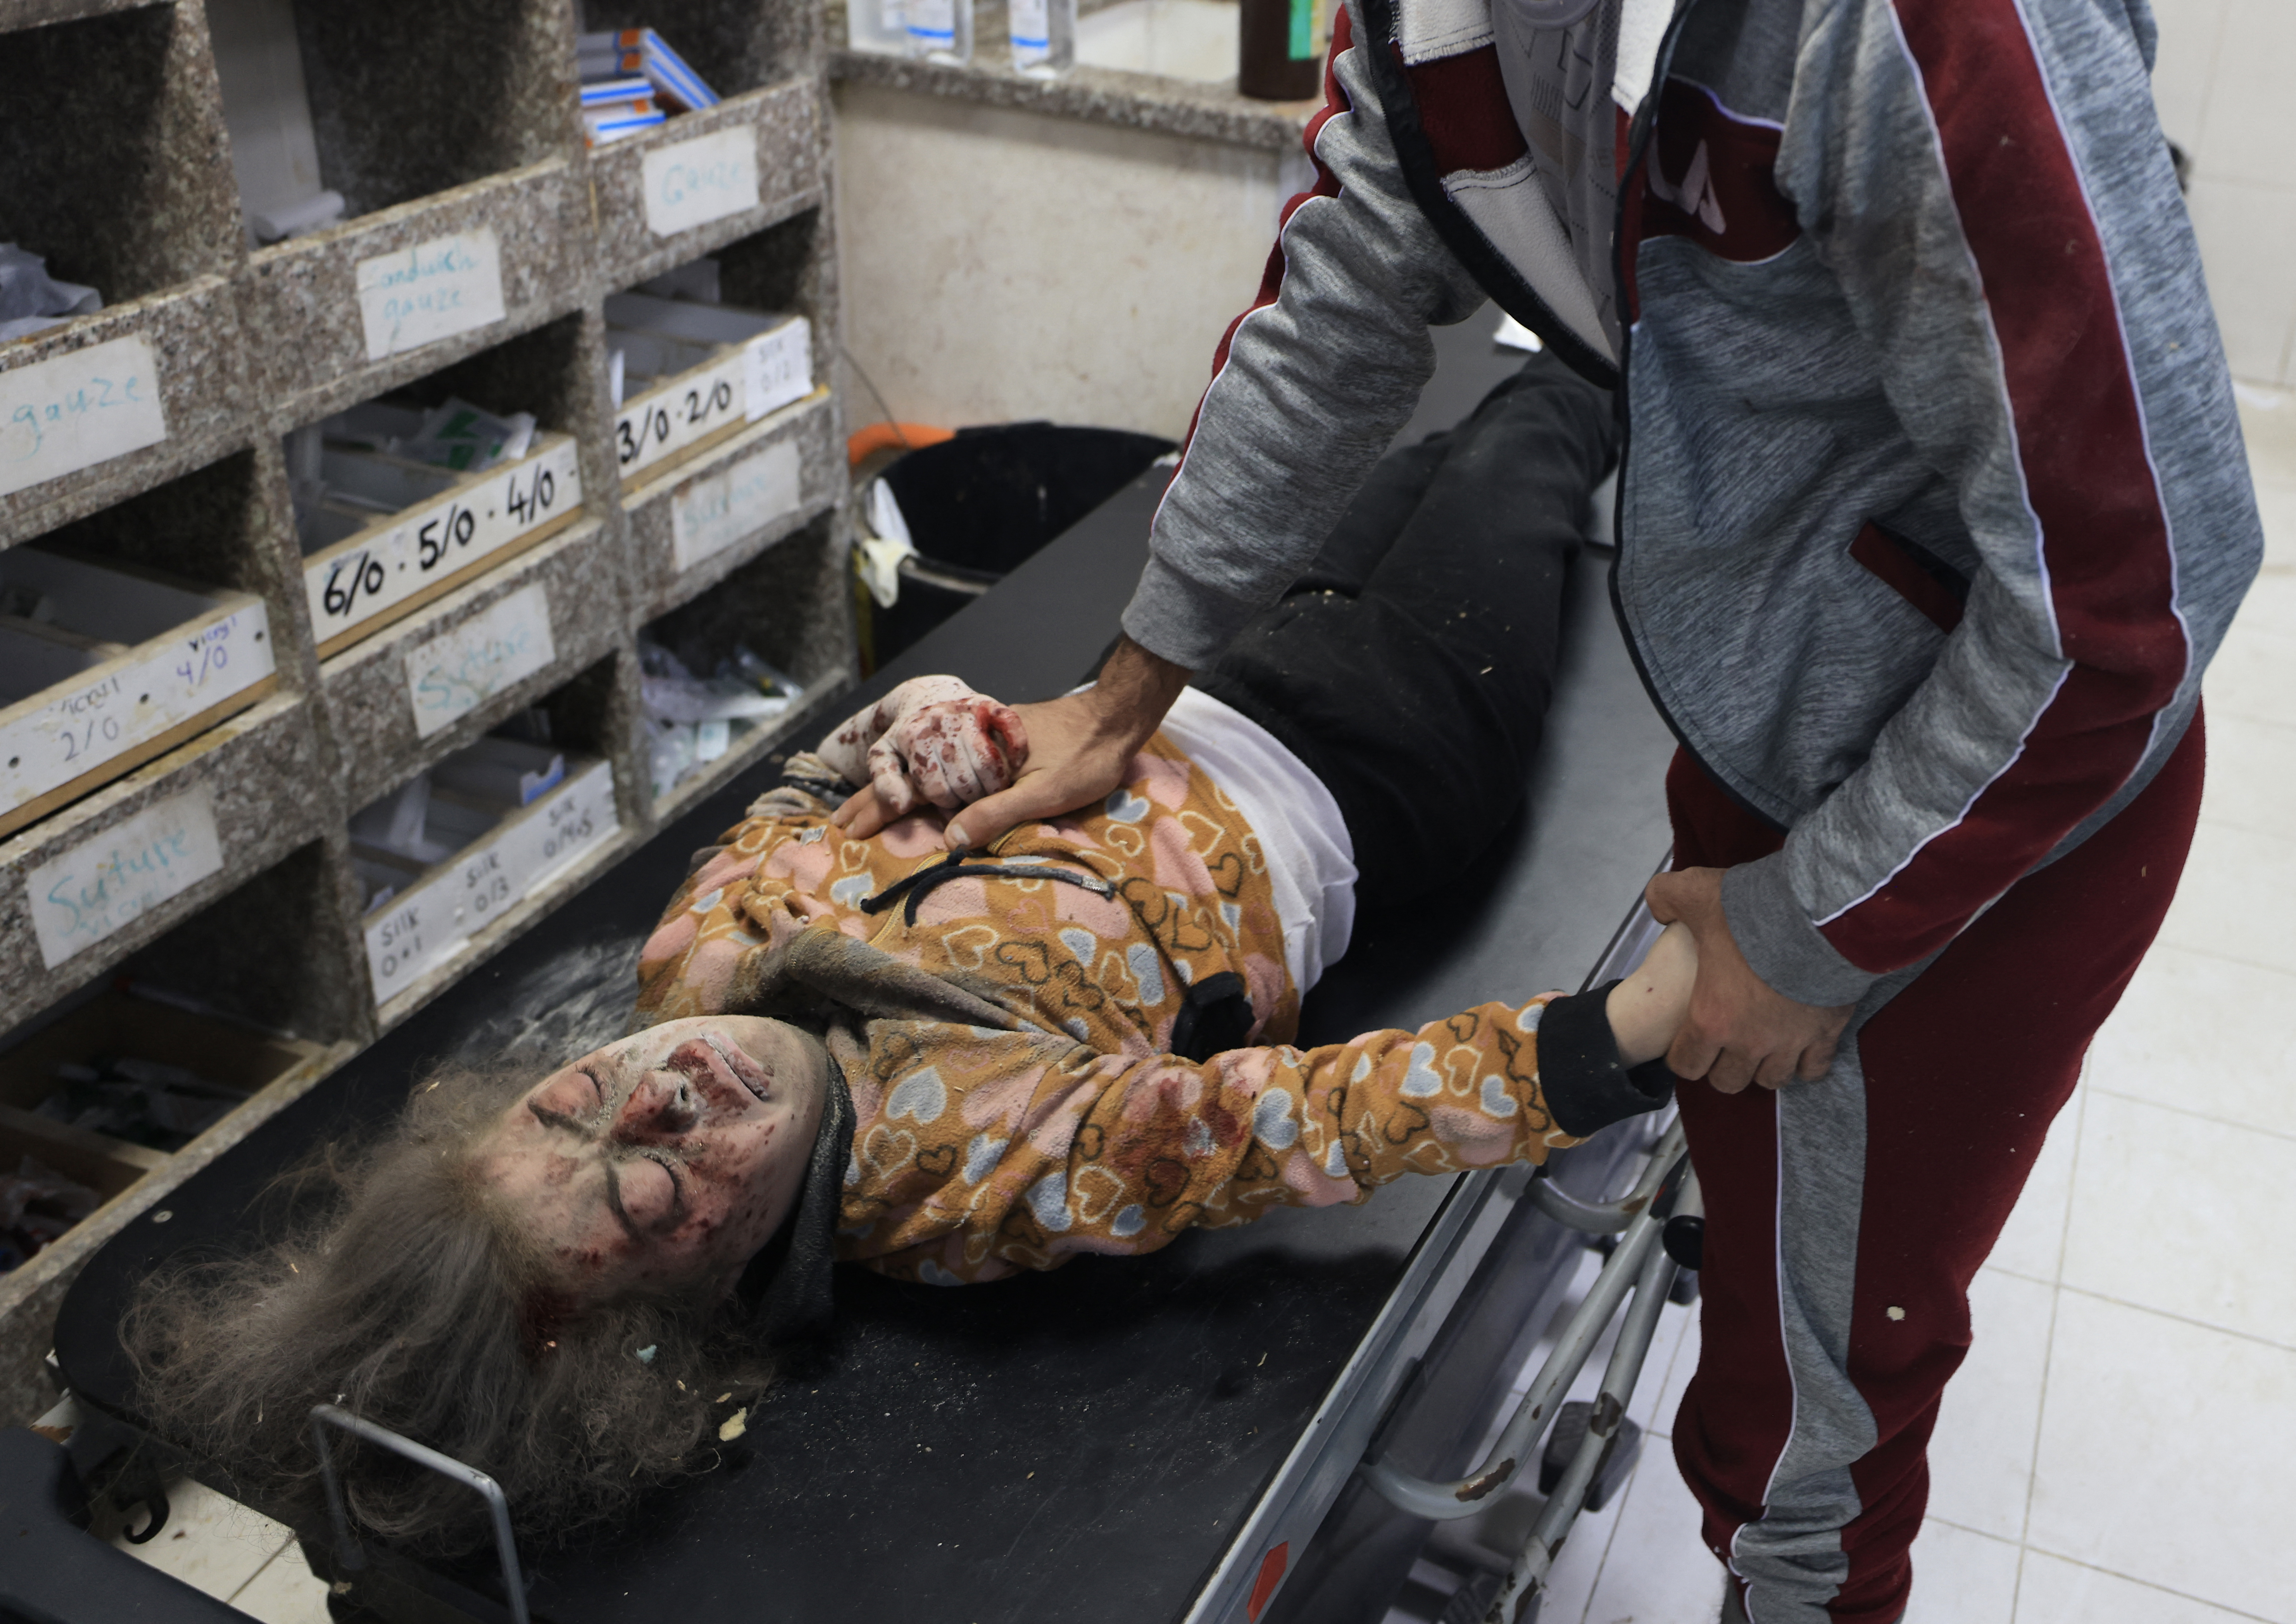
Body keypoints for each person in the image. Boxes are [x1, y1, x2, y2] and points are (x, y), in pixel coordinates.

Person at [854, 5, 2266, 1620]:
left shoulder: (1925, 31)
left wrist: (1812, 934)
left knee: (1816, 1416)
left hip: (1994, 785)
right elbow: (1345, 301)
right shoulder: (1437, 13)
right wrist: (1120, 700)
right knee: (1773, 1280)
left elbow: (2135, 593)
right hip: (1768, 703)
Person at [130, 359, 1695, 1555]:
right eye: (651, 1186)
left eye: (567, 1112)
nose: (655, 1091)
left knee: (1415, 434)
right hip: (1378, 744)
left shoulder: (694, 971)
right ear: (702, 1294)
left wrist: (914, 722)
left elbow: (807, 790)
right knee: (1545, 416)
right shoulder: (958, 1171)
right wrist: (1611, 1041)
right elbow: (1291, 1124)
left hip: (1163, 685)